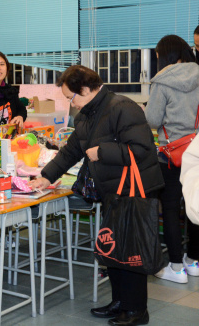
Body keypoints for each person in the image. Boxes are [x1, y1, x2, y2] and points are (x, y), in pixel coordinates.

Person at [32, 65, 164, 326]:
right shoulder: (86, 114)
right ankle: (119, 302)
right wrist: (46, 176)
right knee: (113, 247)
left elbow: (142, 148)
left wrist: (102, 151)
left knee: (131, 251)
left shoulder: (122, 107)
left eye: (71, 97)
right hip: (112, 190)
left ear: (85, 89)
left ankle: (136, 310)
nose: (71, 104)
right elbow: (71, 151)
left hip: (134, 189)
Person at [144, 35, 199, 283]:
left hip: (171, 154)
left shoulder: (162, 81)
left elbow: (153, 119)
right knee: (195, 205)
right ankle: (194, 261)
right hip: (197, 150)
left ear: (164, 55)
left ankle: (176, 268)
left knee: (170, 208)